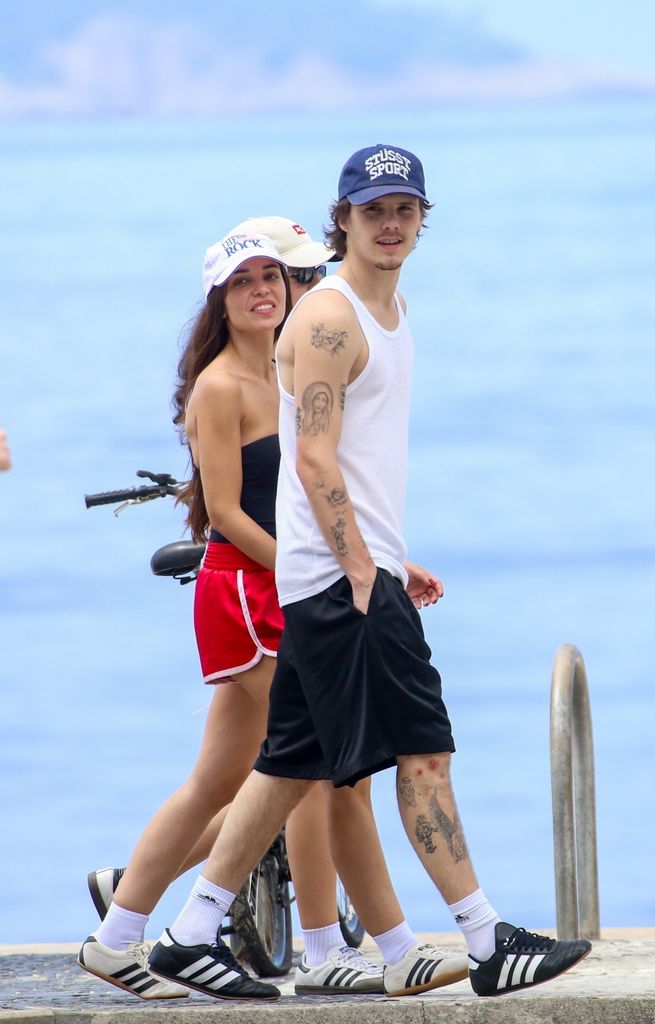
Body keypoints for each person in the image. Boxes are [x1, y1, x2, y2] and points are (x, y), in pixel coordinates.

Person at [146, 146, 592, 1000]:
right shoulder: (330, 318)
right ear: (340, 218)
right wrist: (359, 569)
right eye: (372, 209)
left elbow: (358, 456)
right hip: (339, 580)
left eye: (404, 210)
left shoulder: (387, 310)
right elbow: (312, 460)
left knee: (292, 766)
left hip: (349, 570)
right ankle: (484, 935)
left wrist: (389, 553)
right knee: (424, 751)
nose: (389, 224)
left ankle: (187, 932)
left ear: (422, 220)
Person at [79, 218, 464, 1002]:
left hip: (287, 582)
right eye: (245, 282)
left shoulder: (289, 370)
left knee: (218, 783)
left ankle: (116, 937)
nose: (264, 292)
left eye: (274, 279)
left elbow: (321, 486)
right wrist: (316, 568)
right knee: (328, 770)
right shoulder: (219, 386)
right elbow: (225, 512)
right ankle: (334, 947)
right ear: (219, 300)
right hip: (250, 593)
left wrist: (386, 558)